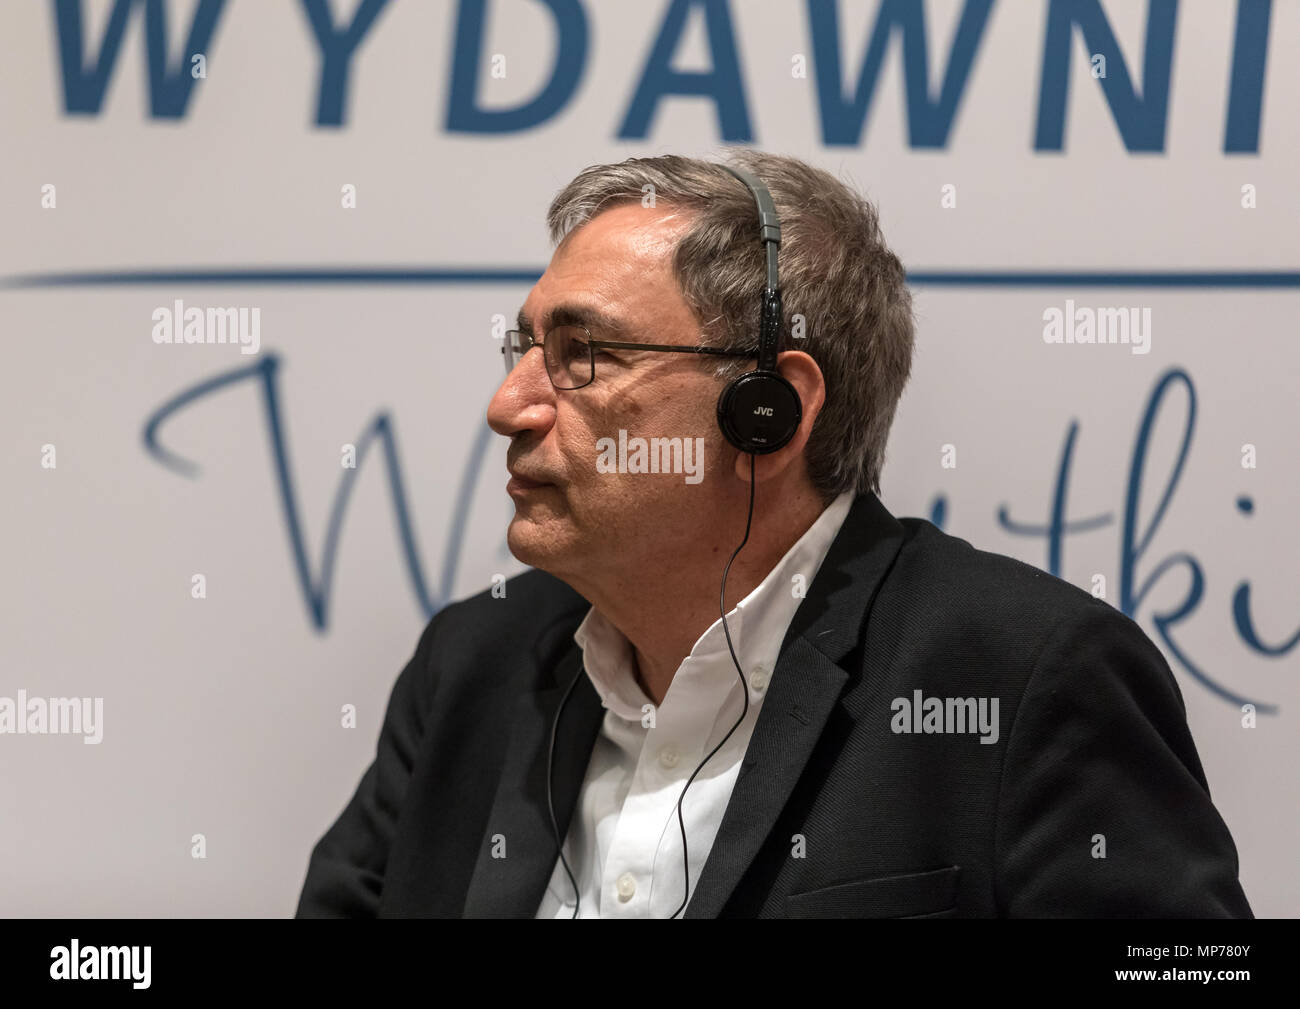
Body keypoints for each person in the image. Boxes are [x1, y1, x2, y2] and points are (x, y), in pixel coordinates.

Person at [295, 151, 1252, 918]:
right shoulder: (473, 663)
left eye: (584, 356)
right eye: (526, 349)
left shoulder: (1021, 672)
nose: (511, 405)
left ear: (769, 413)